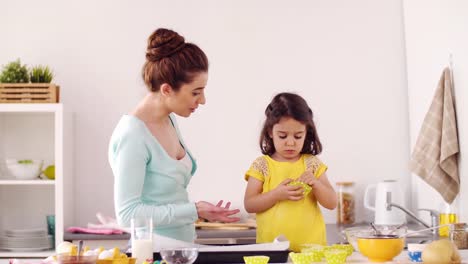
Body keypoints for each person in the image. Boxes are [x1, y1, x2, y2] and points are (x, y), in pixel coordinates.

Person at [108, 28, 240, 242]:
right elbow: (127, 215)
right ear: (167, 90)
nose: (203, 100)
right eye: (196, 92)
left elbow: (165, 197)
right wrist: (194, 210)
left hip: (182, 248)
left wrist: (198, 212)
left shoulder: (169, 119)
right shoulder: (132, 135)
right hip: (154, 252)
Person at [243, 92, 337, 252]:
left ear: (307, 134)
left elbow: (332, 203)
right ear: (270, 132)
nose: (291, 142)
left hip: (312, 251)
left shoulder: (312, 164)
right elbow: (250, 204)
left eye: (298, 136)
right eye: (283, 135)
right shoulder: (262, 165)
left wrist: (316, 184)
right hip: (272, 251)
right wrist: (276, 194)